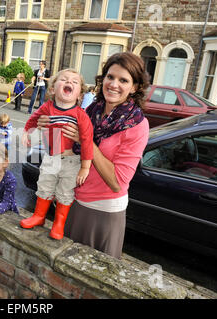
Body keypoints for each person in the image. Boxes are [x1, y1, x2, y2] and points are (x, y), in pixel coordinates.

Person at [37, 52, 150, 258]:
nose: (114, 84)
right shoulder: (92, 110)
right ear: (103, 79)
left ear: (134, 87)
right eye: (110, 77)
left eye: (123, 80)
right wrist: (48, 126)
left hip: (103, 212)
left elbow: (117, 182)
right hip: (74, 200)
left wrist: (86, 140)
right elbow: (64, 151)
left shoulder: (137, 125)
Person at [20, 69, 94, 240]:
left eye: (75, 82)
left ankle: (58, 224)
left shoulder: (80, 115)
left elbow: (87, 141)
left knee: (65, 192)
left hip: (71, 161)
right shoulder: (47, 107)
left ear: (80, 94)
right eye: (64, 80)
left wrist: (85, 167)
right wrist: (26, 132)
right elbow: (33, 119)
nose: (69, 82)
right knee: (44, 186)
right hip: (51, 158)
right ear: (52, 89)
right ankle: (39, 216)